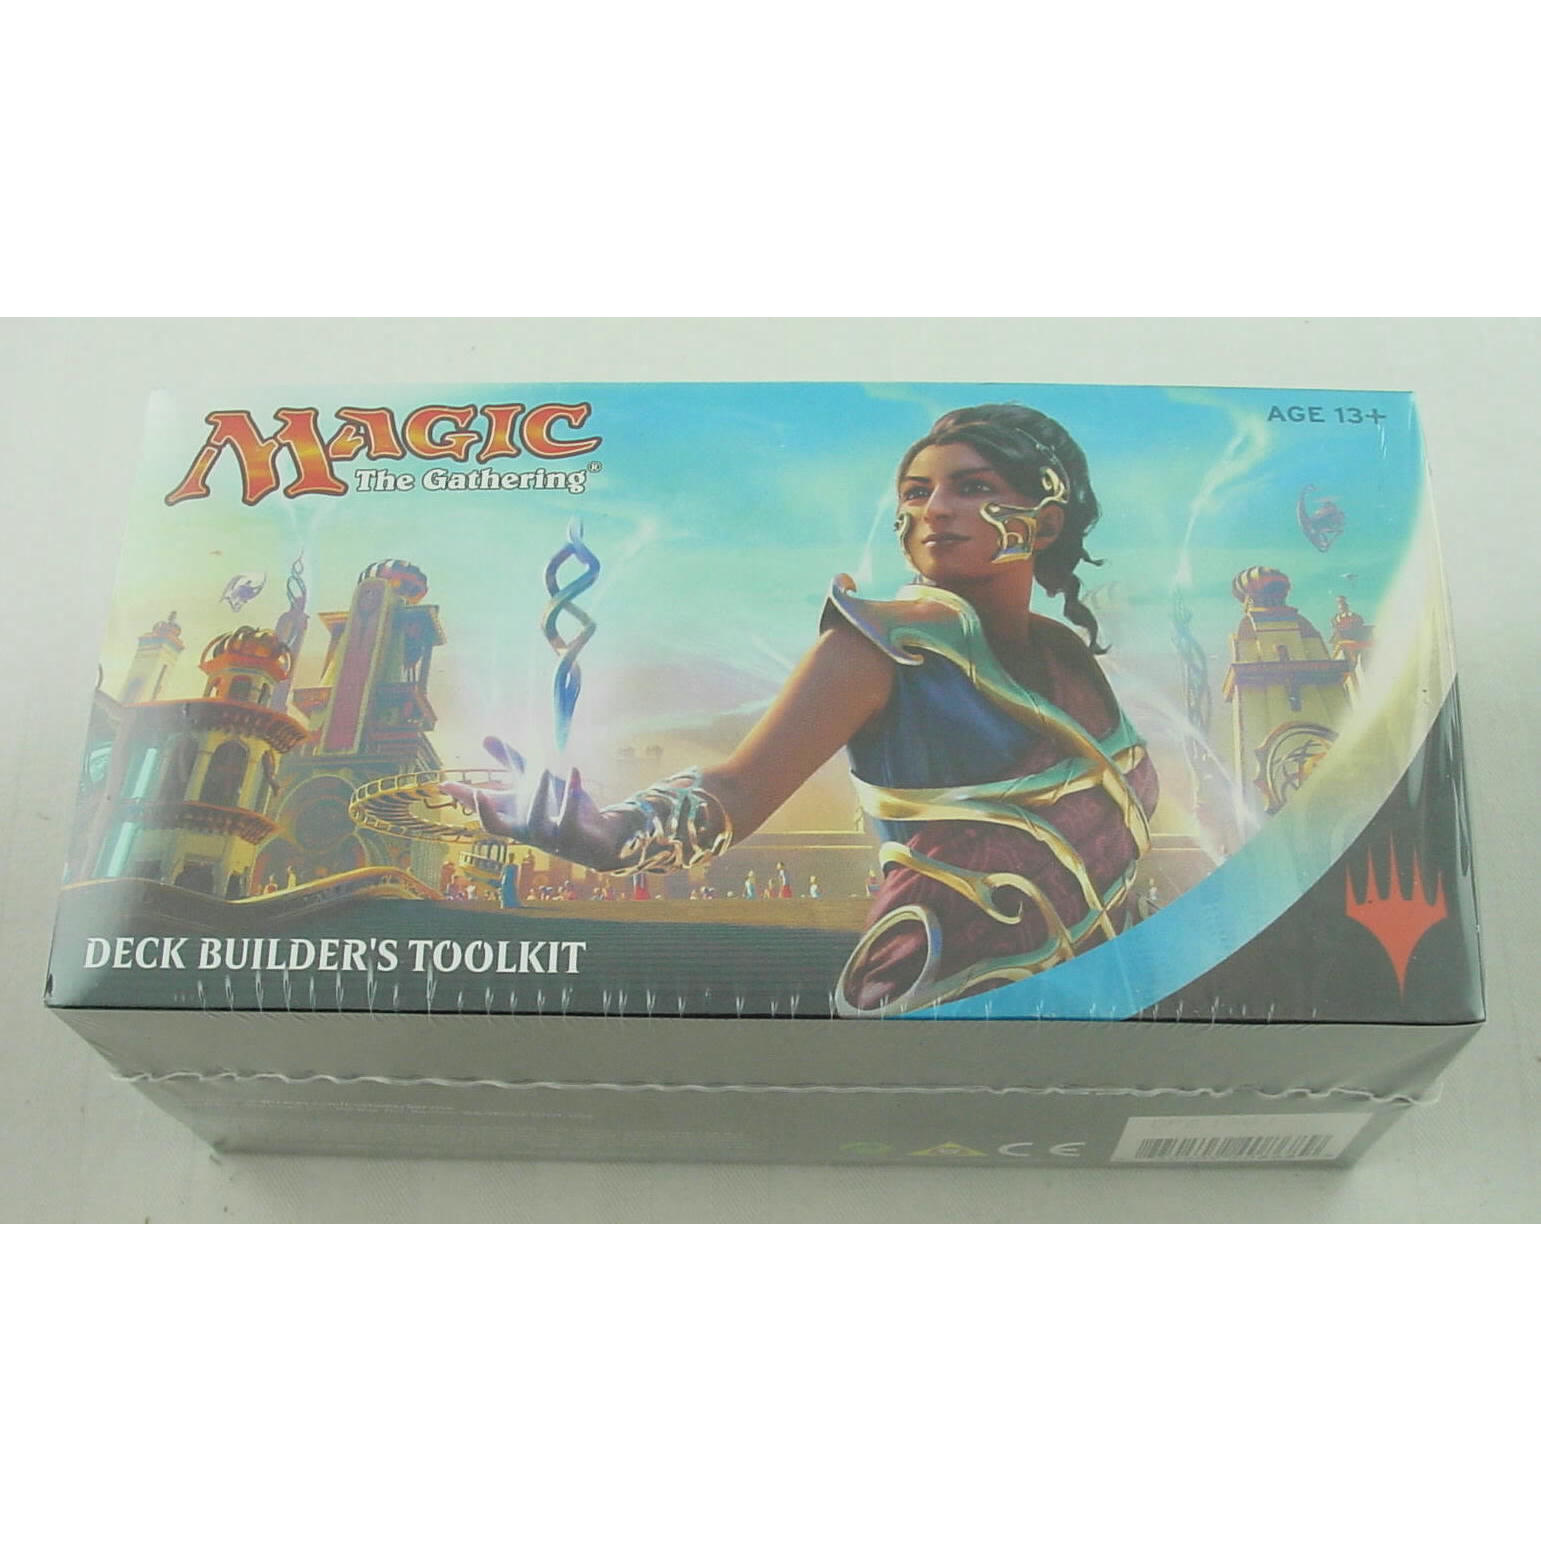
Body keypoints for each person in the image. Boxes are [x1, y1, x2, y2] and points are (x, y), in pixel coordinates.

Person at [446, 404, 1158, 1015]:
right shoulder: (875, 645)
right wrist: (609, 834)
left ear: (1045, 522)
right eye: (915, 493)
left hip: (1100, 994)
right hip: (942, 1001)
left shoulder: (1066, 657)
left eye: (972, 488)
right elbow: (737, 786)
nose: (933, 509)